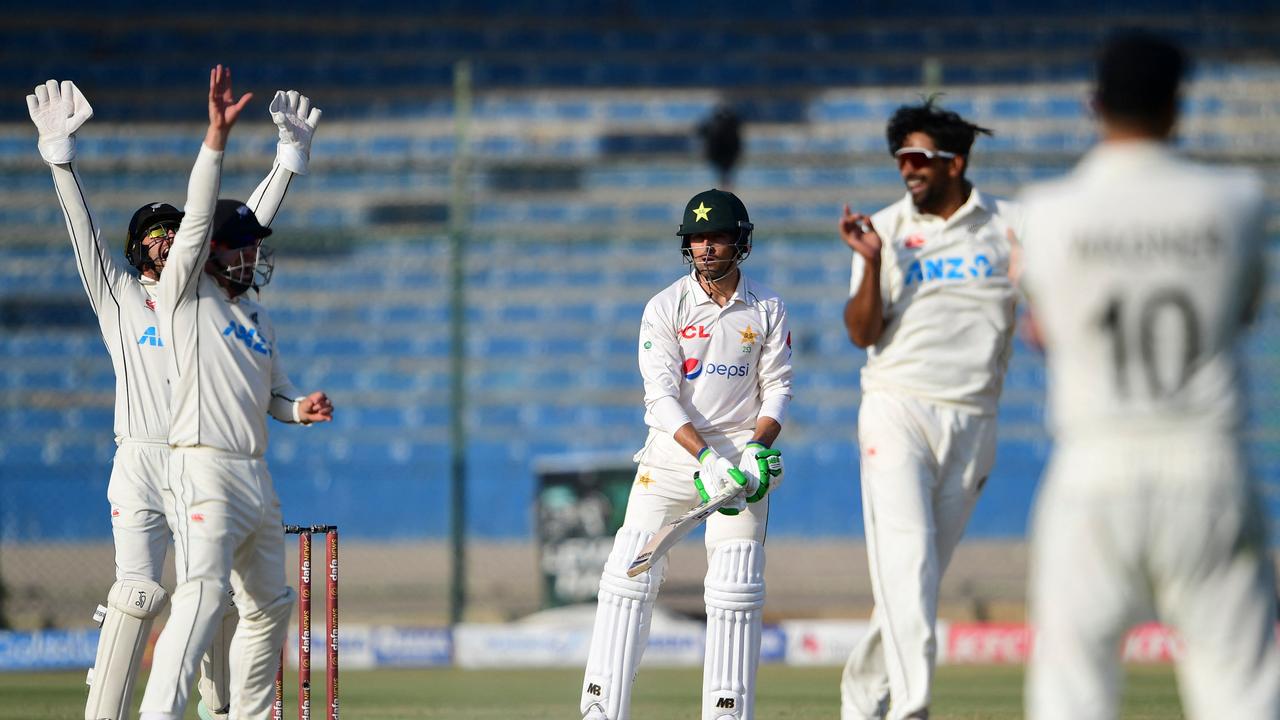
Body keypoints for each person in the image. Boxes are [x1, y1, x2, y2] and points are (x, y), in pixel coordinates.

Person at [25, 75, 319, 720]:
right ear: (137, 250)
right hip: (139, 459)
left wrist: (285, 163)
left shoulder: (207, 297)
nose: (165, 240)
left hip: (197, 460)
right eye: (152, 234)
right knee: (138, 594)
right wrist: (60, 160)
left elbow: (246, 230)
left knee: (206, 595)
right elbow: (84, 240)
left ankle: (220, 711)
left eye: (175, 231)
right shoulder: (121, 296)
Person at [1018, 30, 1280, 719]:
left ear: (1093, 104)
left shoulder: (1048, 213)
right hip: (1207, 461)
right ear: (1176, 106)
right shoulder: (1239, 201)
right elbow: (1240, 312)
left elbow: (1044, 330)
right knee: (1241, 688)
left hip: (1094, 466)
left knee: (1074, 689)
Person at [128, 65, 331, 720]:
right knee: (203, 594)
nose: (254, 256)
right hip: (204, 468)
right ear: (215, 253)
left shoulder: (256, 317)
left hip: (255, 475)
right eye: (241, 250)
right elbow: (205, 224)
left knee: (271, 605)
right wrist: (216, 140)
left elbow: (277, 395)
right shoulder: (187, 297)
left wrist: (299, 410)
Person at [837, 100, 1021, 720]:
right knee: (909, 561)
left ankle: (863, 703)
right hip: (896, 408)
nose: (908, 170)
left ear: (956, 162)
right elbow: (862, 333)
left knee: (913, 580)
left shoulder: (1009, 226)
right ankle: (912, 708)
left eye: (919, 158)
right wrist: (870, 264)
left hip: (973, 418)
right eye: (900, 159)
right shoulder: (883, 229)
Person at [579, 189, 791, 720]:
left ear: (740, 242)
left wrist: (752, 454)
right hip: (673, 458)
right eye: (698, 238)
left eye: (717, 236)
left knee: (735, 582)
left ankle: (726, 711)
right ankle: (601, 707)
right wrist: (706, 461)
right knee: (629, 573)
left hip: (739, 460)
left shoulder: (767, 308)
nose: (707, 247)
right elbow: (661, 398)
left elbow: (779, 389)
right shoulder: (665, 307)